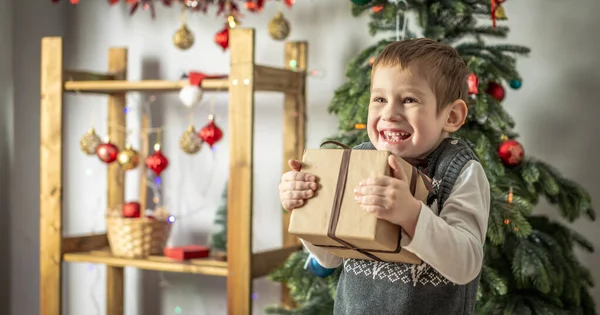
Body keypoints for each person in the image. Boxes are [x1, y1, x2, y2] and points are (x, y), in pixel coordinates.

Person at [278, 38, 491, 314]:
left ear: (451, 116)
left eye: (409, 100)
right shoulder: (358, 161)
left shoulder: (460, 170)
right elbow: (329, 257)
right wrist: (306, 206)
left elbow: (467, 263)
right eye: (379, 99)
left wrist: (412, 215)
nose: (389, 113)